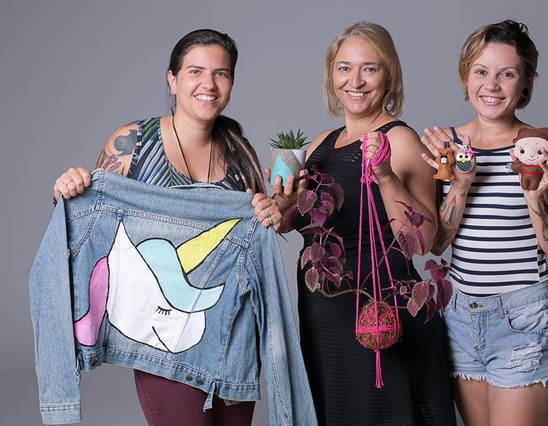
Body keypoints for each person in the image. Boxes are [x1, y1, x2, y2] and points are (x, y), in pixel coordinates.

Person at [52, 29, 283, 426]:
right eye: (195, 71)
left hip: (231, 334)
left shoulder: (240, 151)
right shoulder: (132, 143)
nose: (208, 84)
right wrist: (67, 190)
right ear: (173, 80)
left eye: (221, 74)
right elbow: (94, 222)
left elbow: (251, 238)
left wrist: (271, 211)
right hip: (162, 335)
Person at [273, 21, 457, 425]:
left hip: (379, 313)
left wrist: (386, 176)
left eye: (369, 68)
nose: (354, 80)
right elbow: (295, 224)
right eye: (344, 68)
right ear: (331, 74)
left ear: (388, 75)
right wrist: (283, 204)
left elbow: (421, 240)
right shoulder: (322, 141)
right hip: (324, 317)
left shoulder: (402, 139)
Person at [420, 20, 548, 426]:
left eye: (507, 73)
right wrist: (460, 186)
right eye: (481, 71)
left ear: (525, 83)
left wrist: (533, 195)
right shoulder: (449, 146)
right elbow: (437, 243)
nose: (491, 85)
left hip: (522, 317)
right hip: (458, 314)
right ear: (465, 76)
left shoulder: (544, 147)